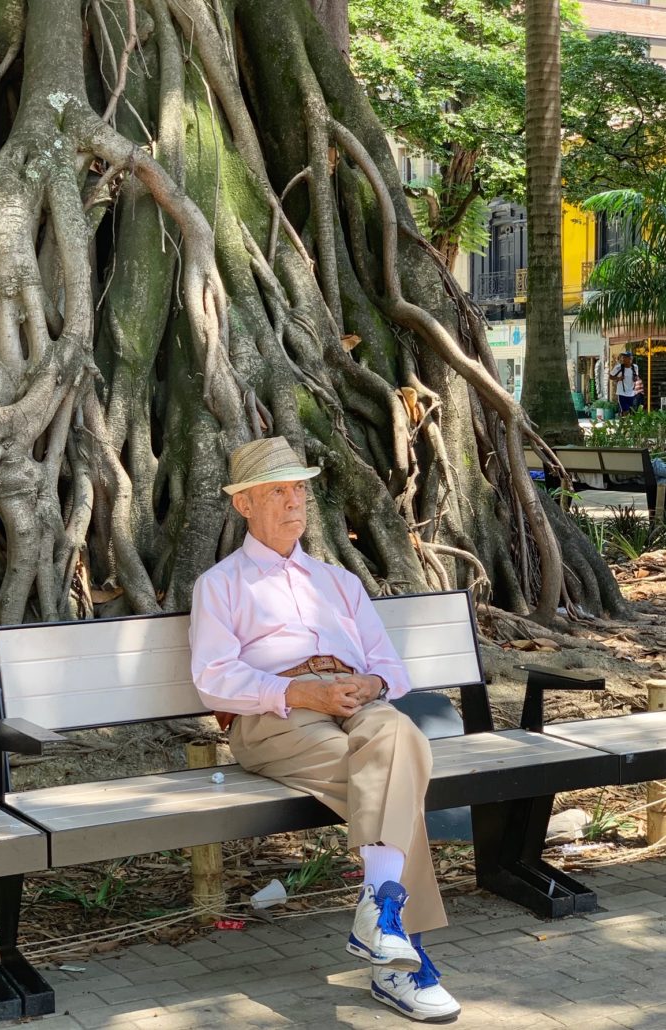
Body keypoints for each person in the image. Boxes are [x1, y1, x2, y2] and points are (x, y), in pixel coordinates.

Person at [190, 436, 460, 1024]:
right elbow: (213, 679)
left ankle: (380, 918)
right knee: (395, 775)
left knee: (400, 738)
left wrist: (368, 685)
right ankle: (399, 960)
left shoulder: (338, 582)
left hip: (354, 703)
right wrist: (298, 690)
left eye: (299, 490)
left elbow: (390, 668)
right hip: (274, 715)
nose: (294, 503)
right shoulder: (221, 585)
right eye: (278, 491)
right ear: (244, 505)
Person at [609, 351, 640, 415]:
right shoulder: (618, 367)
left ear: (631, 359)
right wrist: (618, 378)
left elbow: (636, 376)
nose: (623, 359)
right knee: (625, 411)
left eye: (625, 357)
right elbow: (610, 376)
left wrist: (635, 379)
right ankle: (624, 423)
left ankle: (623, 422)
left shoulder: (635, 367)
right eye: (623, 357)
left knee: (630, 410)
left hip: (631, 393)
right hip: (622, 393)